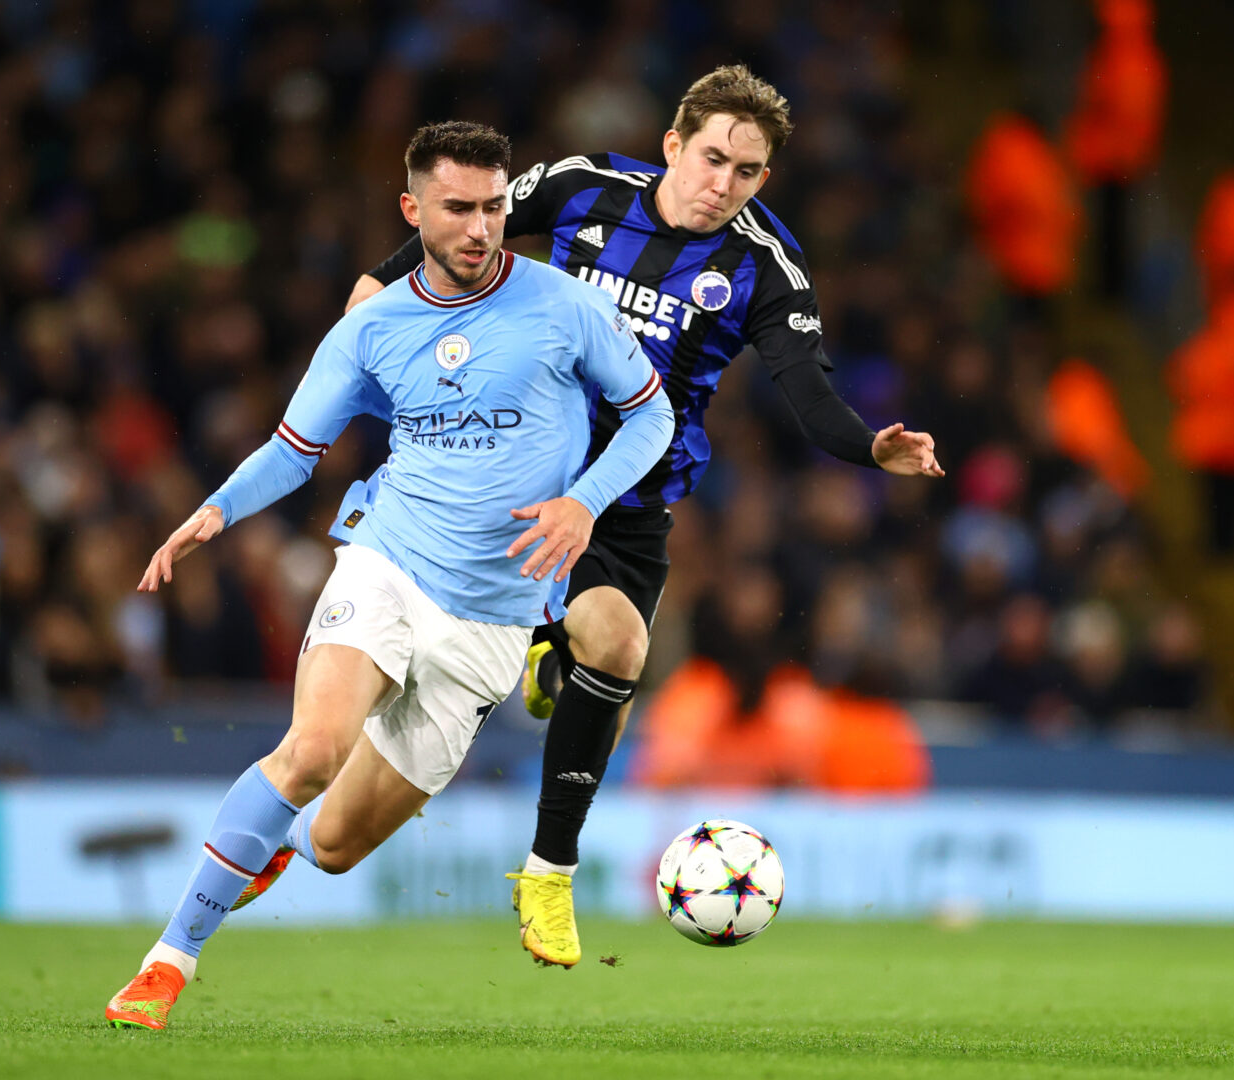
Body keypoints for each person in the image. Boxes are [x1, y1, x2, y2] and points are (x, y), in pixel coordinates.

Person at [326, 65, 940, 969]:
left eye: (746, 171)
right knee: (349, 809)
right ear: (673, 146)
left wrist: (868, 446)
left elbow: (808, 393)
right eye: (712, 158)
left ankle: (548, 872)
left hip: (628, 499)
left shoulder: (765, 267)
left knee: (619, 647)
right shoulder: (584, 186)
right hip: (507, 469)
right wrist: (378, 290)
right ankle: (519, 652)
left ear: (765, 178)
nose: (723, 183)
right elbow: (466, 229)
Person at [103, 121, 673, 1030]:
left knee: (333, 846)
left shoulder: (565, 306)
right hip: (390, 563)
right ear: (412, 210)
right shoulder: (370, 327)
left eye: (494, 207)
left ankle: (277, 840)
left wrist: (583, 504)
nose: (480, 228)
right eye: (457, 208)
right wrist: (216, 510)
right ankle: (167, 962)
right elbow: (295, 449)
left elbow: (652, 417)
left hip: (493, 622)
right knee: (312, 751)